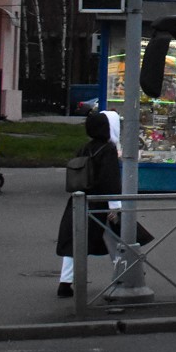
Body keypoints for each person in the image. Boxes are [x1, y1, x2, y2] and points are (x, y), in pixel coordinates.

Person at [54, 112, 121, 298]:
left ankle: (65, 282)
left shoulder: (84, 148)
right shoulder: (108, 150)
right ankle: (124, 275)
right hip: (99, 204)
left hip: (79, 200)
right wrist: (115, 206)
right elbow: (111, 180)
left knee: (74, 243)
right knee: (117, 239)